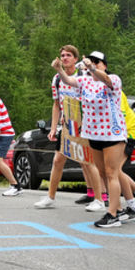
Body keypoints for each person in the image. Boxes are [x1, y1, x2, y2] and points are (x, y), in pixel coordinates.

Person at [53, 51, 129, 228]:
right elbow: (69, 81)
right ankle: (117, 209)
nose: (92, 64)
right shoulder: (85, 81)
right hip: (93, 133)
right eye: (91, 61)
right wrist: (59, 70)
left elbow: (105, 79)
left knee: (112, 173)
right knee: (102, 173)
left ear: (104, 65)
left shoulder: (113, 79)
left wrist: (91, 67)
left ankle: (112, 214)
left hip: (112, 133)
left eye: (97, 62)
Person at [34, 45, 105, 211]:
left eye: (68, 55)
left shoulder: (84, 74)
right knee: (58, 160)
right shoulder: (57, 79)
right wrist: (53, 127)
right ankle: (50, 197)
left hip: (84, 124)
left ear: (75, 58)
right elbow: (56, 104)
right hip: (67, 125)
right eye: (62, 55)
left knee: (87, 161)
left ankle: (99, 199)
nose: (65, 58)